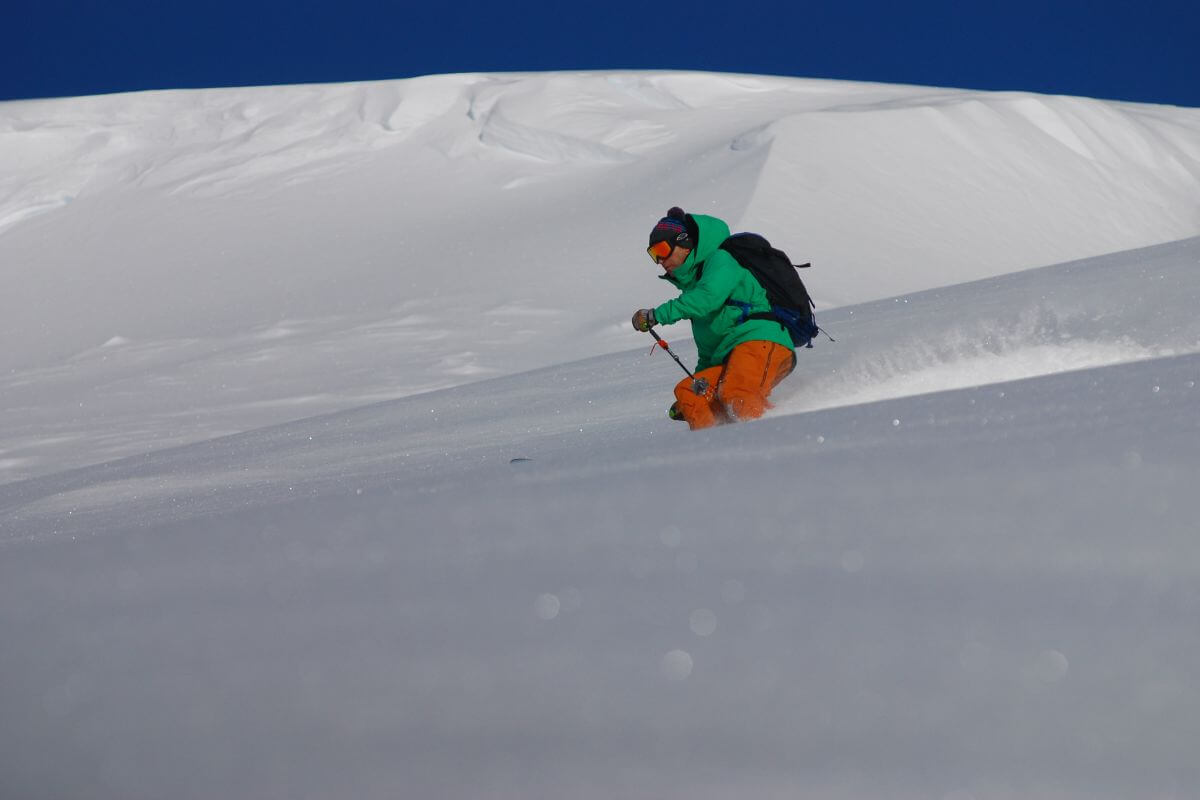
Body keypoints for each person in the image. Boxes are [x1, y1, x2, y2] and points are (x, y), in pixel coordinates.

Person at [633, 207, 796, 430]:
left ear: (684, 242)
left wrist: (656, 315)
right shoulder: (694, 289)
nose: (660, 259)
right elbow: (710, 354)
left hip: (761, 341)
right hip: (734, 356)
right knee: (690, 393)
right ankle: (717, 452)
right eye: (653, 254)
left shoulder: (721, 259)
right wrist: (697, 388)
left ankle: (784, 440)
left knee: (737, 392)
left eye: (662, 249)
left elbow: (707, 299)